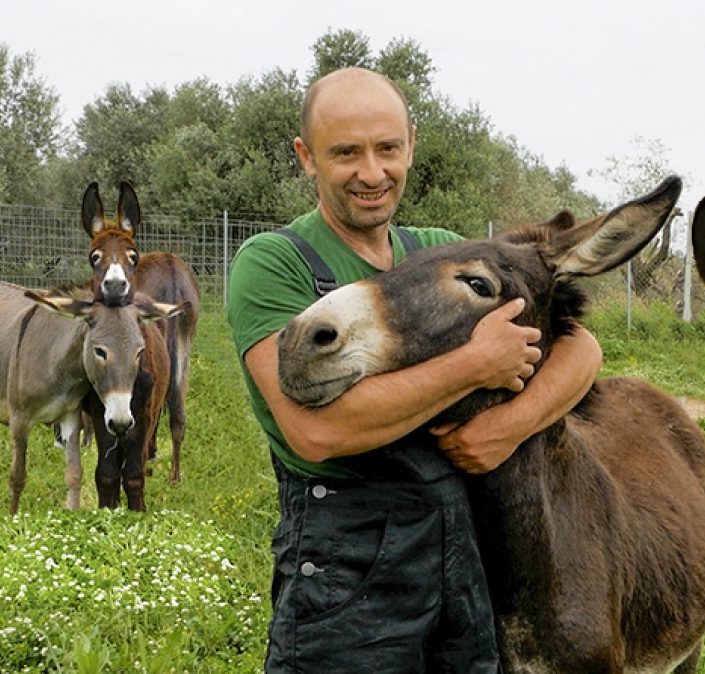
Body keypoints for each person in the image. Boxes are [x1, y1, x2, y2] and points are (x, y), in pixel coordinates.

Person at [226, 67, 602, 673]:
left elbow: (581, 350)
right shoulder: (271, 263)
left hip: (463, 554)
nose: (372, 173)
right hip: (343, 569)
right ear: (306, 157)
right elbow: (318, 432)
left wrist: (509, 426)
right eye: (346, 152)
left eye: (387, 149)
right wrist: (475, 364)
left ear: (411, 145)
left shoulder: (437, 249)